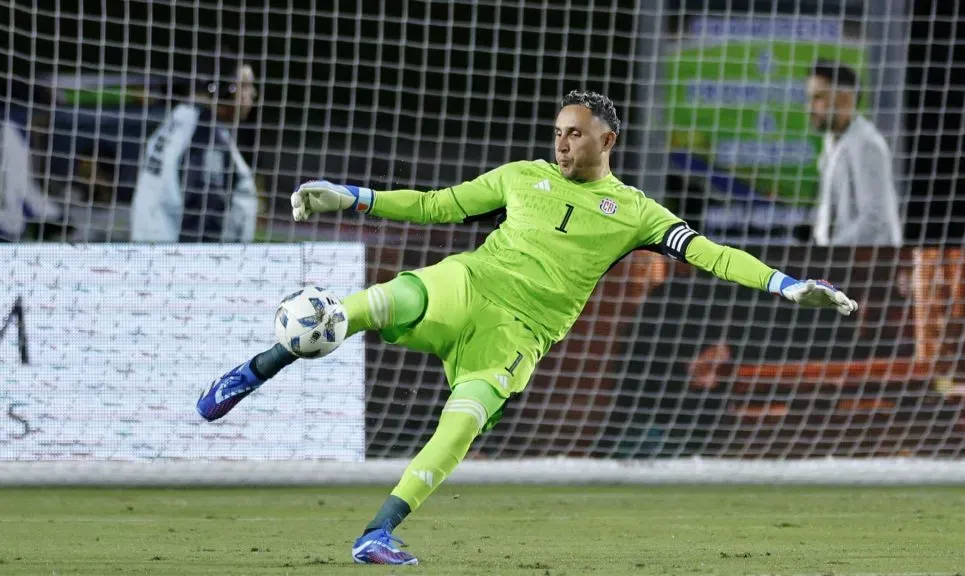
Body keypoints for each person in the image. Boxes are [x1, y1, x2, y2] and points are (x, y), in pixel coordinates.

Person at [196, 90, 859, 565]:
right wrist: (355, 195)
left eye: (575, 132)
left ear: (608, 140)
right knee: (353, 310)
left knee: (457, 428)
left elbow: (712, 253)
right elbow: (439, 205)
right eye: (557, 132)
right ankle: (255, 369)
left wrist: (786, 283)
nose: (562, 143)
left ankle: (377, 531)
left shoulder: (635, 212)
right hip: (468, 285)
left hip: (519, 336)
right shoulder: (522, 178)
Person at [130, 51, 258, 242]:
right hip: (181, 261)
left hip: (156, 251)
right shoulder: (205, 138)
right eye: (245, 86)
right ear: (225, 89)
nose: (253, 93)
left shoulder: (180, 121)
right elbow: (204, 210)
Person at [806, 60, 903, 247]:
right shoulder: (832, 143)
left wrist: (831, 253)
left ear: (845, 98)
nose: (809, 108)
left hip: (869, 264)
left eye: (818, 98)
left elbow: (875, 218)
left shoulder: (866, 144)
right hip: (845, 260)